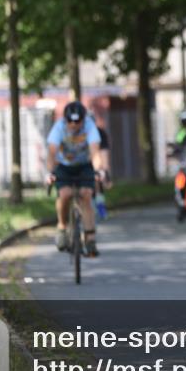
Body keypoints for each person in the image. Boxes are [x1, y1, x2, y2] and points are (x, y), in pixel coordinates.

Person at [45, 101, 109, 257]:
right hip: (63, 165)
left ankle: (90, 239)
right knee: (65, 194)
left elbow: (95, 153)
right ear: (65, 119)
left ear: (83, 119)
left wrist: (99, 171)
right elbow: (52, 153)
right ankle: (62, 227)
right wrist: (49, 172)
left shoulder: (90, 127)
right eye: (70, 121)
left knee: (86, 195)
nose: (74, 124)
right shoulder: (58, 128)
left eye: (77, 121)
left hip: (84, 165)